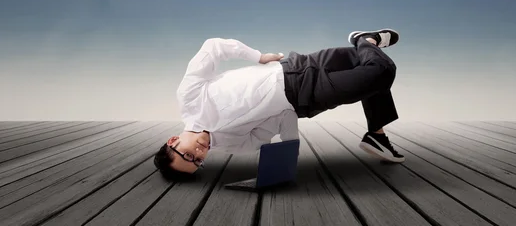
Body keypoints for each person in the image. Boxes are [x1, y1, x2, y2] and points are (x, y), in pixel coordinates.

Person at [154, 28, 404, 179]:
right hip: (307, 95)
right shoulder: (236, 144)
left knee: (367, 68)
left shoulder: (189, 97)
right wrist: (289, 149)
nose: (199, 154)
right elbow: (284, 118)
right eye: (198, 162)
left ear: (172, 141)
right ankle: (367, 40)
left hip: (296, 64)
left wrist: (258, 57)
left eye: (187, 155)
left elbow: (214, 47)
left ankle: (377, 136)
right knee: (380, 71)